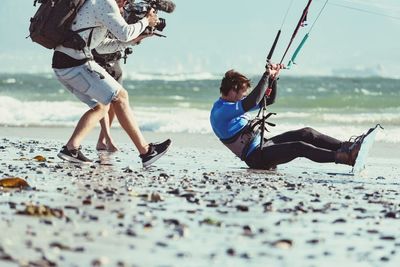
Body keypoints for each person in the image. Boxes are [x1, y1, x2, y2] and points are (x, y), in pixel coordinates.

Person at [52, 0, 171, 167]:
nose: (126, 5)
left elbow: (101, 48)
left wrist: (136, 39)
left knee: (101, 106)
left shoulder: (97, 4)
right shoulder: (105, 2)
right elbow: (124, 33)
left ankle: (71, 149)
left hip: (65, 63)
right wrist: (146, 21)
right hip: (76, 63)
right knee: (121, 96)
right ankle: (146, 152)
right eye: (127, 1)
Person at [210, 64, 361, 170]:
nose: (244, 95)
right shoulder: (221, 112)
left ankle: (348, 147)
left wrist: (273, 79)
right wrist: (266, 75)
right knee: (299, 147)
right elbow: (254, 100)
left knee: (306, 133)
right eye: (242, 92)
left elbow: (268, 100)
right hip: (257, 157)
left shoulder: (233, 103)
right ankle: (344, 158)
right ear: (231, 91)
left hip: (264, 145)